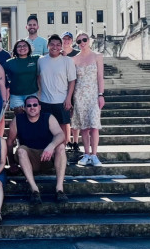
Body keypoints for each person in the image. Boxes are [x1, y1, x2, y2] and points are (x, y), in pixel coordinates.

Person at [7, 96, 68, 204]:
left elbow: (61, 134)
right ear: (24, 108)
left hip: (48, 157)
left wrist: (51, 146)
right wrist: (11, 163)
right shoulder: (18, 120)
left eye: (35, 105)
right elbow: (10, 142)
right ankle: (34, 190)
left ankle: (59, 189)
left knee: (61, 147)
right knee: (21, 150)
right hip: (29, 159)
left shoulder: (48, 117)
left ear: (40, 107)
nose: (32, 107)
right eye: (29, 105)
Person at [71, 32, 105, 166]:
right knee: (84, 127)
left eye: (84, 40)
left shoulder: (97, 56)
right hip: (79, 95)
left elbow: (100, 77)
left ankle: (94, 155)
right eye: (79, 41)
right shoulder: (74, 59)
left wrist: (101, 94)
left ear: (89, 40)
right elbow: (73, 80)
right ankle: (86, 154)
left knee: (94, 126)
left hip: (93, 94)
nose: (82, 43)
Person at [37, 34, 76, 147]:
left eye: (58, 45)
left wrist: (69, 99)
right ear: (48, 45)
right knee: (46, 128)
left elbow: (72, 81)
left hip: (61, 100)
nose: (55, 47)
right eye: (52, 44)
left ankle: (61, 153)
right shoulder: (41, 60)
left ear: (61, 46)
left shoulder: (67, 60)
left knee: (63, 128)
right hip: (45, 101)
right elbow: (38, 77)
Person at [4, 39, 40, 114]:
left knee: (33, 115)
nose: (22, 48)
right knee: (19, 118)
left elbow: (49, 58)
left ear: (29, 48)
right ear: (15, 49)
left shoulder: (36, 59)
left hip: (32, 93)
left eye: (24, 46)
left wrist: (61, 53)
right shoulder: (10, 62)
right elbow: (0, 74)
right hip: (16, 95)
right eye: (19, 46)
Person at [61, 31, 81, 154]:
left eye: (69, 39)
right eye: (64, 39)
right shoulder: (59, 54)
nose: (66, 41)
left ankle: (75, 141)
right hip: (63, 88)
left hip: (76, 87)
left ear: (72, 41)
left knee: (75, 116)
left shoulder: (77, 54)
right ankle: (67, 140)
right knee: (66, 116)